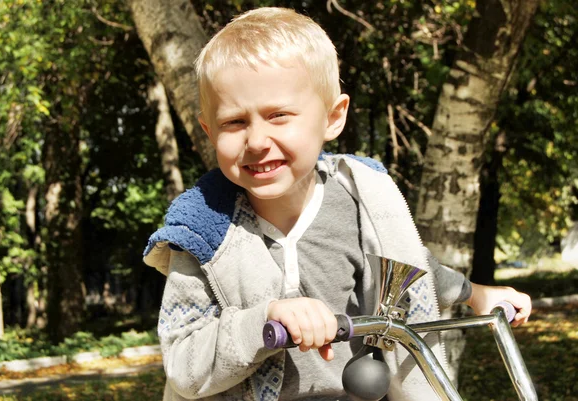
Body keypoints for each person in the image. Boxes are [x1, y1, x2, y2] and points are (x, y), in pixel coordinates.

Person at [143, 7, 532, 401]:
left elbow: (408, 267)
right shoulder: (201, 233)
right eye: (234, 123)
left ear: (333, 117)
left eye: (279, 116)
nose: (257, 141)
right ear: (209, 130)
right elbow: (184, 367)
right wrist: (263, 321)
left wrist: (474, 294)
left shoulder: (361, 204)